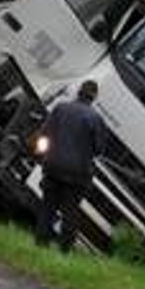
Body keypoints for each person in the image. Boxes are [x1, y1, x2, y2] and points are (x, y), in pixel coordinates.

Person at [35, 79, 107, 252]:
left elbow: (45, 133)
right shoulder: (96, 119)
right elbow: (99, 150)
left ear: (79, 92)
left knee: (48, 208)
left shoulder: (60, 108)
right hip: (77, 174)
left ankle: (40, 244)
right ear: (94, 96)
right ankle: (64, 250)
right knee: (70, 212)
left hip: (53, 166)